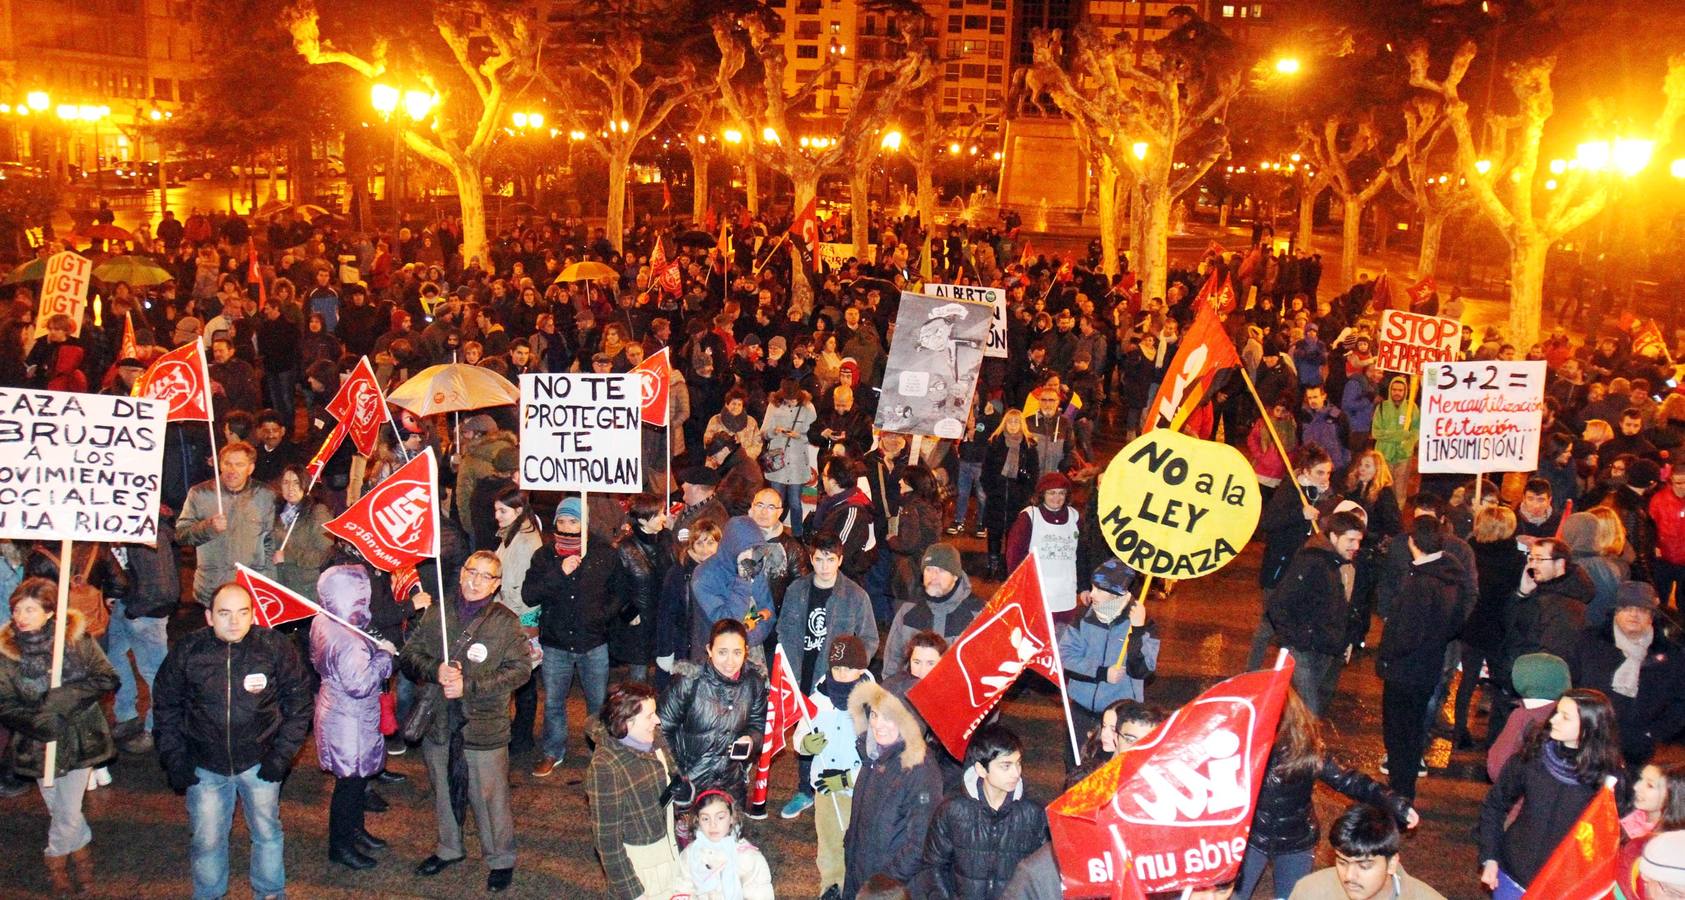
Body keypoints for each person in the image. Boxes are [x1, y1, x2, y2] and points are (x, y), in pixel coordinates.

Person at [153, 581, 313, 900]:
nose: (234, 621)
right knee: (207, 840)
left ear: (253, 614)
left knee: (267, 833)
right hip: (205, 767)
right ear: (209, 617)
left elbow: (299, 704)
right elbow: (166, 707)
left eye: (243, 612)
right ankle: (209, 894)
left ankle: (269, 893)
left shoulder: (274, 647)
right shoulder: (187, 650)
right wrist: (176, 759)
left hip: (260, 762)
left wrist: (281, 756)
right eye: (225, 613)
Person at [400, 550, 530, 892]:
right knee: (442, 789)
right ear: (460, 574)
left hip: (483, 725)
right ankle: (449, 848)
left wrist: (469, 686)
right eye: (471, 572)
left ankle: (500, 858)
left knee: (490, 797)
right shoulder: (438, 614)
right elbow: (409, 656)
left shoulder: (505, 622)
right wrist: (435, 670)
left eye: (486, 576)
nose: (475, 581)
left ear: (497, 584)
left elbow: (520, 670)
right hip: (440, 722)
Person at [0, 578, 119, 894]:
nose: (21, 617)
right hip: (37, 744)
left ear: (50, 612)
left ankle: (56, 860)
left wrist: (66, 697)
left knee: (66, 809)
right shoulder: (7, 651)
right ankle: (81, 857)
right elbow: (4, 703)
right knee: (62, 810)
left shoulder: (76, 640)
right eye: (16, 610)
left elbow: (107, 678)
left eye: (30, 609)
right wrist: (37, 722)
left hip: (81, 739)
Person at [1240, 691, 1418, 899]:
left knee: (1293, 896)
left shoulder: (1306, 750)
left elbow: (1350, 780)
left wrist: (1396, 804)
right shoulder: (1243, 748)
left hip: (1295, 840)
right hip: (1251, 838)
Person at [1478, 688, 1631, 892]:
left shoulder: (1608, 779)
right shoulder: (1532, 757)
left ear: (1589, 726)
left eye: (1565, 717)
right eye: (1557, 712)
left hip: (1564, 887)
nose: (1554, 720)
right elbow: (1495, 805)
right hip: (1513, 876)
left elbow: (1611, 837)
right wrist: (1490, 857)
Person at [777, 534, 881, 819]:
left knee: (844, 735)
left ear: (840, 560)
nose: (824, 566)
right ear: (811, 559)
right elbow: (784, 630)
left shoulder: (856, 595)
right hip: (802, 672)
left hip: (838, 681)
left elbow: (869, 638)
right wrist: (788, 669)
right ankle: (804, 789)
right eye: (819, 559)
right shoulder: (797, 590)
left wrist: (853, 669)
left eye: (830, 560)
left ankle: (849, 785)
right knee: (808, 732)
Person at [309, 565, 399, 870]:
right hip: (349, 717)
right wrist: (384, 655)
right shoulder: (347, 638)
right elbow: (360, 684)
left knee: (356, 782)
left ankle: (355, 830)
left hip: (338, 710)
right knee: (349, 784)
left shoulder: (326, 620)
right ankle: (341, 845)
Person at [1375, 517, 1472, 800]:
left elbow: (1406, 633)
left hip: (1405, 671)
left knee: (1398, 734)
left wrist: (1387, 656)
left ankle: (1399, 794)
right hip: (1430, 665)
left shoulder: (1421, 582)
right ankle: (1404, 791)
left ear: (1412, 543)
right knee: (1414, 730)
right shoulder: (1452, 578)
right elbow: (1457, 621)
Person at [526, 497, 621, 777]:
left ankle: (599, 751)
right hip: (556, 642)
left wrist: (601, 616)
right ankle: (553, 751)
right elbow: (529, 594)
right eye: (562, 521)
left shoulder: (604, 553)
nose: (567, 527)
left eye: (574, 521)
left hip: (593, 642)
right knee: (554, 701)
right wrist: (559, 572)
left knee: (597, 702)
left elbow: (619, 592)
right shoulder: (544, 556)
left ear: (585, 523)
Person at [920, 724, 1050, 900]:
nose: (1016, 773)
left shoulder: (1033, 813)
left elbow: (1044, 870)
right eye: (1006, 766)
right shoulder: (952, 809)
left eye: (1018, 763)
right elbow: (933, 866)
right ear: (981, 770)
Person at [588, 682, 690, 900]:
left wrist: (683, 789)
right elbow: (607, 842)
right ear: (626, 722)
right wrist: (633, 893)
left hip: (670, 849)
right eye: (649, 715)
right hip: (642, 867)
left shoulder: (654, 737)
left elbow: (673, 775)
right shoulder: (605, 768)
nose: (658, 720)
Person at [1564, 581, 1685, 766]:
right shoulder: (1588, 643)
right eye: (1627, 607)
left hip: (1640, 754)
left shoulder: (1671, 656)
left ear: (1652, 616)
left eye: (1642, 609)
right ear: (1616, 611)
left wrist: (1652, 734)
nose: (1634, 614)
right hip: (1590, 743)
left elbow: (1679, 704)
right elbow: (1570, 685)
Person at [843, 680, 943, 899]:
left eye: (890, 718)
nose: (878, 724)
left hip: (891, 889)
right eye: (875, 714)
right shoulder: (874, 754)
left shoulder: (921, 770)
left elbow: (919, 845)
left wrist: (883, 887)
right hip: (862, 879)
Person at [794, 635, 874, 895]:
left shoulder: (874, 703)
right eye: (837, 668)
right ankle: (831, 886)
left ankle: (857, 887)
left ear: (861, 669)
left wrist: (849, 779)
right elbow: (799, 736)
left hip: (858, 791)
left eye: (848, 669)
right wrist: (807, 744)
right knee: (828, 842)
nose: (841, 675)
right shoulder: (818, 699)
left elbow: (877, 754)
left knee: (858, 842)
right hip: (826, 790)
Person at [660, 619, 769, 806]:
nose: (730, 662)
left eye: (737, 653)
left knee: (730, 834)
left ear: (746, 652)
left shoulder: (754, 683)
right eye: (722, 652)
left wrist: (752, 740)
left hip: (731, 784)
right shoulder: (688, 681)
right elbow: (661, 730)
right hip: (691, 784)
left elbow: (759, 724)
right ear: (709, 650)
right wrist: (677, 774)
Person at [1266, 511, 1365, 715]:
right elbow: (1278, 604)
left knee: (1302, 709)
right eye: (1351, 540)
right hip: (1303, 649)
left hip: (1323, 647)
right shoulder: (1311, 562)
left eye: (1358, 541)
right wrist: (1298, 638)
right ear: (1334, 536)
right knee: (1309, 709)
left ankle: (1293, 743)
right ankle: (1304, 746)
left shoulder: (1335, 562)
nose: (1356, 547)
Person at [1059, 559, 1159, 742]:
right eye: (1092, 587)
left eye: (1099, 589)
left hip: (1119, 715)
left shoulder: (1144, 622)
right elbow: (1065, 657)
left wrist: (1137, 631)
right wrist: (1101, 673)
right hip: (1081, 709)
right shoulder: (1084, 616)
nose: (1092, 594)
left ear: (1115, 593)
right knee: (1076, 761)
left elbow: (1143, 670)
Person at [177, 441, 279, 606]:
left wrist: (268, 584)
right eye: (227, 464)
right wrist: (208, 527)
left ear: (250, 468)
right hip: (211, 588)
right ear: (220, 465)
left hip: (251, 589)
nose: (232, 470)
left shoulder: (266, 495)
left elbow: (270, 541)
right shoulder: (199, 493)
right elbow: (181, 535)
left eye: (239, 464)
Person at [1457, 504, 1525, 749]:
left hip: (1472, 624)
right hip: (1499, 627)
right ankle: (1495, 737)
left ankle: (1459, 732)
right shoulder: (1517, 559)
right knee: (1500, 684)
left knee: (1467, 681)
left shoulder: (1469, 552)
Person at [1287, 803, 1445, 900]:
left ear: (1392, 863)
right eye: (1342, 862)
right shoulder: (1310, 892)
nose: (1349, 876)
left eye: (1364, 866)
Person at [882, 543, 983, 679]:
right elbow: (893, 661)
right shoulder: (908, 609)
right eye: (929, 569)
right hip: (912, 694)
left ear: (955, 576)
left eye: (941, 570)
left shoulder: (977, 613)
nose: (933, 576)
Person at [611, 494, 676, 685]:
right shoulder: (624, 548)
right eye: (659, 514)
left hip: (664, 618)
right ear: (641, 519)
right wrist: (628, 612)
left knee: (664, 674)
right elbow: (615, 587)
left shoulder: (667, 540)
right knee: (638, 678)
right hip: (639, 625)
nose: (664, 518)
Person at [1004, 471, 1087, 613]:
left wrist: (1084, 586)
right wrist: (1019, 586)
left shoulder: (1075, 517)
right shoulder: (1029, 517)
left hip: (1066, 594)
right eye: (1052, 493)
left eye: (1061, 493)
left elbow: (1082, 555)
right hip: (1036, 593)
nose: (1057, 497)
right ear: (1042, 494)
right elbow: (1014, 555)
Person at [679, 789, 777, 899]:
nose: (713, 825)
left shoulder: (747, 856)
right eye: (705, 818)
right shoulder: (690, 854)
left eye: (720, 817)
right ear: (697, 821)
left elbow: (760, 893)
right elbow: (682, 887)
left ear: (732, 818)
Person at [982, 409, 1039, 579]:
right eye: (1010, 422)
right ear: (1004, 423)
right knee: (994, 532)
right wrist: (990, 489)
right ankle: (992, 562)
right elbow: (986, 470)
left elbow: (1034, 472)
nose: (1013, 426)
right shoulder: (995, 442)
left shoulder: (1029, 446)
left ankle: (1009, 564)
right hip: (997, 496)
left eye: (1016, 422)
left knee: (1013, 534)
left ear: (1021, 424)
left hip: (1017, 497)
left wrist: (1025, 492)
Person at [272, 464, 334, 599]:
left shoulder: (317, 513)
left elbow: (325, 555)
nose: (290, 488)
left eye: (296, 482)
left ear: (305, 485)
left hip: (307, 590)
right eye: (286, 482)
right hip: (280, 588)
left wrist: (288, 557)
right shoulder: (275, 513)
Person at [1623, 762, 1685, 840]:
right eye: (1640, 779)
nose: (1636, 787)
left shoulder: (1667, 840)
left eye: (1650, 786)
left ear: (1672, 795)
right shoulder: (1628, 817)